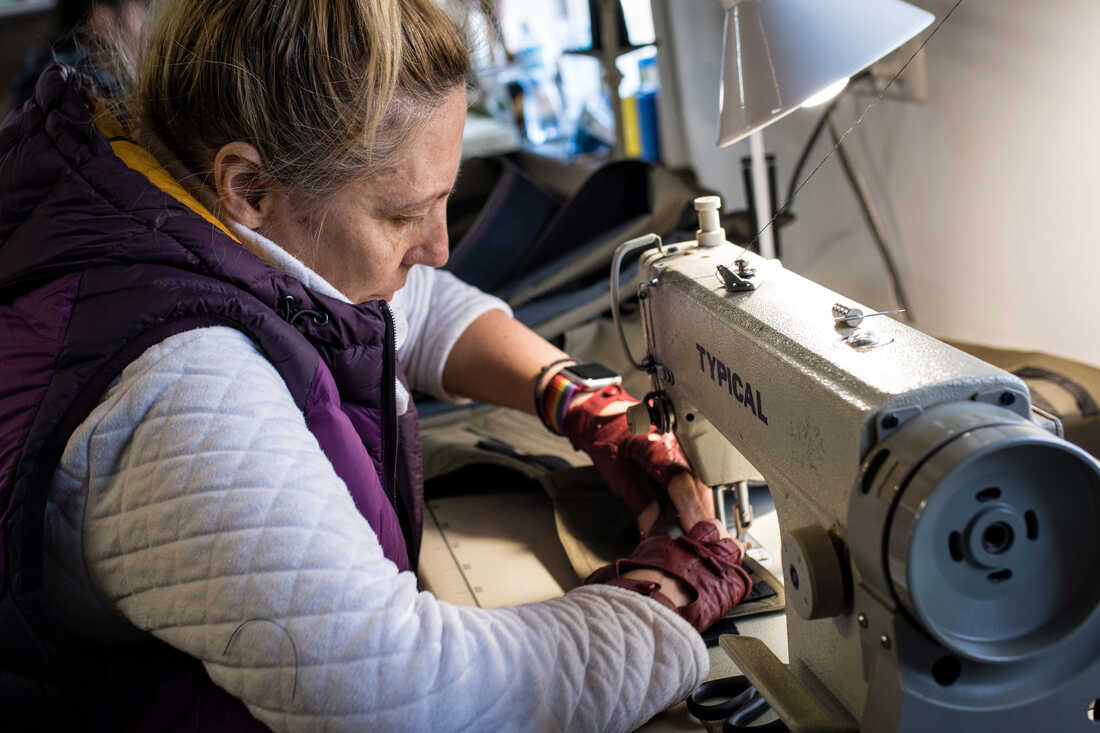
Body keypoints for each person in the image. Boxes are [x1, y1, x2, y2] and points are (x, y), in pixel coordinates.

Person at [0, 1, 752, 730]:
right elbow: (411, 696)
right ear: (250, 187)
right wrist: (658, 601)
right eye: (401, 215)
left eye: (444, 202)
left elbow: (411, 304)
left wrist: (577, 396)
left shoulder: (159, 203)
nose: (438, 245)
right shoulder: (181, 388)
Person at [9, 0, 148, 109]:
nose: (148, 23)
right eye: (144, 6)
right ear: (101, 16)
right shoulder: (75, 88)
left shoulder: (42, 64)